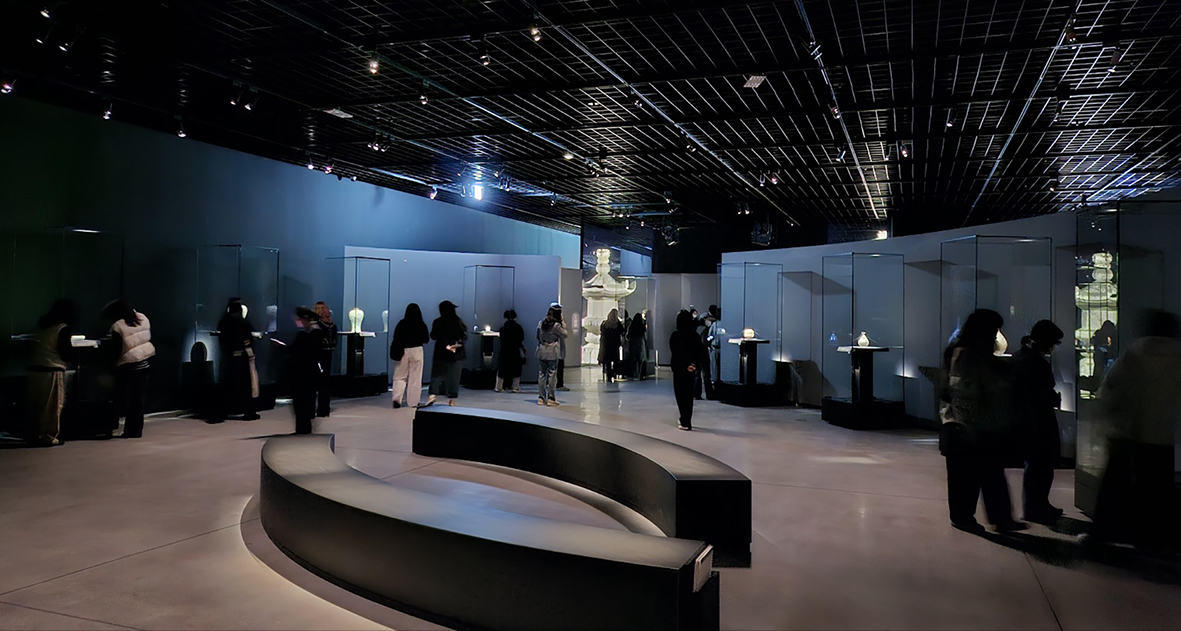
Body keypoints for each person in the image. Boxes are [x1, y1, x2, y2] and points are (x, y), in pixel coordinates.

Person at [1087, 309, 1181, 548]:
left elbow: (1111, 390)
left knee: (1115, 484)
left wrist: (1105, 422)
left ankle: (1107, 532)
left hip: (1127, 432)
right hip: (1162, 436)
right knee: (1157, 488)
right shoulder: (1178, 356)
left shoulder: (1134, 353)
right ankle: (1154, 537)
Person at [939, 308, 1026, 534]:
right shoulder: (969, 356)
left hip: (963, 425)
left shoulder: (957, 352)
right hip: (969, 426)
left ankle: (984, 518)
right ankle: (979, 518)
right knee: (979, 476)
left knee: (976, 475)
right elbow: (965, 392)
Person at [1011, 320, 1065, 523]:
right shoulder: (1036, 363)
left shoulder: (1020, 357)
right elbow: (1040, 394)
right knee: (1041, 466)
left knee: (1034, 466)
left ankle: (1036, 505)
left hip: (1025, 420)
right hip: (1039, 421)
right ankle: (1037, 507)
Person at [25, 299, 77, 446]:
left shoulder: (42, 326)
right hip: (52, 369)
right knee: (52, 406)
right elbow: (65, 353)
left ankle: (33, 434)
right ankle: (48, 436)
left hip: (34, 368)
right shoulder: (62, 328)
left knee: (35, 405)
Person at [103, 299, 155, 439]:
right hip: (144, 363)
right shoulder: (143, 319)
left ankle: (109, 428)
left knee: (118, 398)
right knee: (137, 399)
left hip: (127, 366)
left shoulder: (117, 327)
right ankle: (135, 431)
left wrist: (110, 366)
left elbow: (116, 350)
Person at [216, 297, 260, 421]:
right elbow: (248, 339)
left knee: (227, 385)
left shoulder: (224, 322)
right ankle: (249, 412)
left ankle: (223, 412)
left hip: (229, 358)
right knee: (245, 386)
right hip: (242, 357)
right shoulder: (243, 323)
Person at [286, 307, 326, 434]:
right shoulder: (316, 333)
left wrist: (282, 348)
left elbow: (297, 351)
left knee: (301, 400)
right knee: (306, 399)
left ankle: (302, 428)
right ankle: (304, 426)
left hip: (302, 372)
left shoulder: (306, 336)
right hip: (310, 371)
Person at [426, 300, 466, 406]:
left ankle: (432, 395)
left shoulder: (438, 322)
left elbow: (433, 336)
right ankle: (452, 399)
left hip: (441, 352)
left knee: (437, 375)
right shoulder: (458, 322)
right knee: (454, 377)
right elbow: (463, 336)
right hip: (456, 353)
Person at [390, 303, 429, 408]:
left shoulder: (401, 324)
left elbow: (396, 337)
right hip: (417, 350)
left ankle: (397, 399)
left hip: (403, 351)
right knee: (415, 377)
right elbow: (426, 339)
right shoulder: (421, 324)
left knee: (399, 376)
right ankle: (413, 402)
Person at [670, 309, 702, 431]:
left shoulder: (675, 336)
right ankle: (687, 419)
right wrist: (693, 364)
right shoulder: (695, 336)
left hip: (679, 369)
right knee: (688, 395)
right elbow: (698, 352)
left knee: (680, 395)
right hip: (690, 369)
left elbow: (675, 352)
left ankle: (684, 419)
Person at [536, 305, 567, 406]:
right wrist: (563, 323)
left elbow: (537, 336)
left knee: (541, 374)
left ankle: (541, 397)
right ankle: (551, 398)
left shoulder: (541, 323)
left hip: (541, 350)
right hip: (552, 352)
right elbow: (565, 334)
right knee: (552, 375)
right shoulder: (556, 326)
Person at [312, 302, 338, 417]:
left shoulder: (331, 324)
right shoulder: (317, 325)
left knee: (326, 381)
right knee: (319, 380)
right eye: (326, 309)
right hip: (319, 354)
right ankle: (315, 407)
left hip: (328, 353)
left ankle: (324, 407)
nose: (328, 311)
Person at [496, 309, 525, 393]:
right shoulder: (518, 327)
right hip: (515, 350)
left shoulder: (503, 328)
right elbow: (521, 338)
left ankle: (499, 386)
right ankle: (515, 387)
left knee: (502, 368)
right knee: (516, 369)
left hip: (504, 350)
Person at [697, 305, 719, 399]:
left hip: (700, 349)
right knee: (707, 373)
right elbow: (708, 338)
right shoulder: (714, 324)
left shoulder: (701, 323)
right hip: (705, 350)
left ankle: (697, 393)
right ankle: (710, 394)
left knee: (699, 373)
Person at [599, 308, 624, 383]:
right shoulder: (618, 325)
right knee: (616, 360)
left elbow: (602, 333)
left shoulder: (604, 324)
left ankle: (609, 375)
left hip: (607, 345)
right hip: (615, 345)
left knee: (608, 361)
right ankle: (615, 374)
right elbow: (622, 331)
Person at [553, 302, 570, 392]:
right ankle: (559, 384)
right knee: (559, 367)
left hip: (546, 349)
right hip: (556, 349)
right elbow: (565, 334)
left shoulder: (544, 323)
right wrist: (563, 323)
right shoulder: (558, 325)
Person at [627, 312, 647, 380]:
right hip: (640, 343)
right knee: (640, 359)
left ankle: (634, 373)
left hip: (633, 344)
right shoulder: (642, 326)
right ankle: (640, 374)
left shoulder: (632, 326)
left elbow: (628, 336)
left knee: (634, 360)